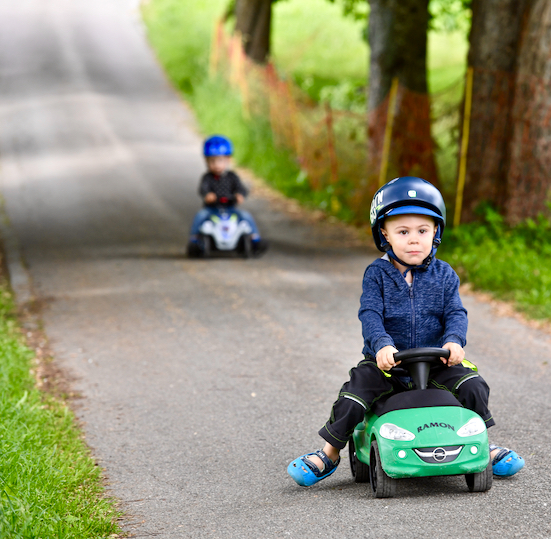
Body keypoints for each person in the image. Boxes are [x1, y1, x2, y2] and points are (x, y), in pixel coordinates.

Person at [287, 176, 524, 486]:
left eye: (422, 231)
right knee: (354, 394)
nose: (414, 240)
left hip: (437, 361)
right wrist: (382, 345)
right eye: (403, 232)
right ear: (384, 234)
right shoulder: (377, 274)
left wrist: (454, 341)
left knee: (473, 385)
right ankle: (329, 452)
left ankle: (485, 445)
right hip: (388, 365)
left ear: (436, 232)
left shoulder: (444, 275)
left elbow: (455, 312)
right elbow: (370, 314)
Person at [187, 135, 266, 256]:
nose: (216, 165)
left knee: (246, 216)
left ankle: (255, 239)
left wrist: (240, 195)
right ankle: (194, 240)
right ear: (206, 161)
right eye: (212, 161)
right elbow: (203, 189)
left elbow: (241, 188)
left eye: (220, 161)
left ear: (228, 160)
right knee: (200, 216)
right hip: (212, 209)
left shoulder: (232, 177)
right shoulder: (207, 178)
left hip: (230, 209)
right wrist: (208, 195)